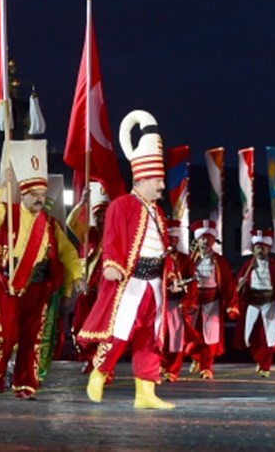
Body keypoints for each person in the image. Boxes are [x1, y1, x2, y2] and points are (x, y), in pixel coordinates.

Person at [77, 110, 174, 410]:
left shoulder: (157, 212)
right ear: (142, 178)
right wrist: (111, 265)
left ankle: (145, 392)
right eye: (157, 179)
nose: (161, 185)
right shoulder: (122, 205)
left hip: (154, 284)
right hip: (131, 282)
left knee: (150, 337)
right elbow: (112, 241)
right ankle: (99, 373)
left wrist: (169, 273)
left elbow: (162, 247)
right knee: (120, 332)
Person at [0, 139, 86, 400]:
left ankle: (25, 384)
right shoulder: (9, 213)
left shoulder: (49, 225)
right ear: (23, 194)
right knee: (7, 334)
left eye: (42, 196)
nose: (39, 200)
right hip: (8, 284)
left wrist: (77, 276)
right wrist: (2, 186)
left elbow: (67, 252)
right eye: (34, 195)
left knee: (31, 338)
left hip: (37, 288)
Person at [234, 228, 275, 378]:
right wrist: (240, 283)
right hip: (252, 303)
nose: (260, 250)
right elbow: (237, 286)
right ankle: (259, 360)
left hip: (269, 303)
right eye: (257, 247)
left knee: (268, 336)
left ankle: (266, 365)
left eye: (263, 247)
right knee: (252, 336)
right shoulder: (247, 266)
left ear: (269, 248)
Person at [188, 219, 239, 380]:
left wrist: (231, 305)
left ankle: (206, 367)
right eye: (203, 238)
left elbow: (228, 284)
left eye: (209, 238)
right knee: (191, 334)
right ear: (197, 239)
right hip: (193, 302)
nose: (205, 241)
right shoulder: (190, 260)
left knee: (210, 335)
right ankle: (196, 358)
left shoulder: (219, 261)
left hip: (212, 302)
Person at [67, 182, 110, 374]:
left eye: (105, 215)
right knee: (81, 327)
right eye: (98, 215)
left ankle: (102, 365)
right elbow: (71, 223)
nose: (102, 220)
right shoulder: (88, 235)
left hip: (107, 294)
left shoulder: (116, 237)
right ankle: (89, 358)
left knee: (105, 331)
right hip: (88, 291)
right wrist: (83, 202)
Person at [161, 219, 197, 382]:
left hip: (176, 303)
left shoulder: (185, 259)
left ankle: (173, 370)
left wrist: (188, 300)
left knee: (176, 337)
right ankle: (160, 364)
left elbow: (192, 281)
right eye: (169, 238)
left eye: (175, 238)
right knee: (159, 335)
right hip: (160, 302)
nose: (172, 241)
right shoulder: (158, 257)